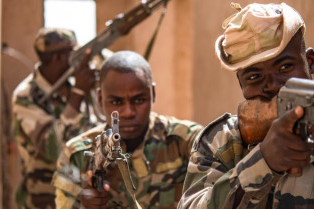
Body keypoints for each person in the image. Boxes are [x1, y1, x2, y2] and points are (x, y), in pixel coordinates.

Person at [178, 3, 314, 209]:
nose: (273, 86)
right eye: (255, 76)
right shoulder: (222, 142)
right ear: (241, 84)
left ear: (310, 62)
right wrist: (263, 162)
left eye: (285, 67)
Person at [53, 50, 204, 208]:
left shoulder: (185, 141)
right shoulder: (76, 154)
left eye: (139, 100)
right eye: (116, 102)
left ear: (152, 93)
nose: (128, 112)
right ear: (100, 99)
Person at [12, 27, 98, 209]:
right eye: (72, 53)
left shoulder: (71, 86)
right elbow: (52, 147)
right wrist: (78, 95)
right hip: (43, 198)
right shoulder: (25, 96)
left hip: (77, 194)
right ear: (59, 57)